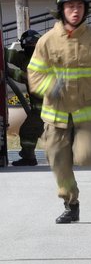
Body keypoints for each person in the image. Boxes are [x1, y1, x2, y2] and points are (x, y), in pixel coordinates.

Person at [27, 0, 91, 223]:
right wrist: (49, 87)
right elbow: (34, 74)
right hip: (56, 116)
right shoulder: (47, 42)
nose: (75, 11)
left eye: (79, 6)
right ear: (61, 10)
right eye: (70, 6)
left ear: (85, 9)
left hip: (88, 113)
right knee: (59, 164)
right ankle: (71, 204)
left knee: (86, 157)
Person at [5, 30, 44, 166]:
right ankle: (29, 156)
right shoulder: (24, 58)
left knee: (28, 131)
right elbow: (7, 54)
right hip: (40, 108)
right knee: (30, 131)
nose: (32, 46)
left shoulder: (45, 60)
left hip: (48, 108)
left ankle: (29, 157)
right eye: (29, 43)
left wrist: (7, 71)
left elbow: (28, 77)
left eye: (34, 43)